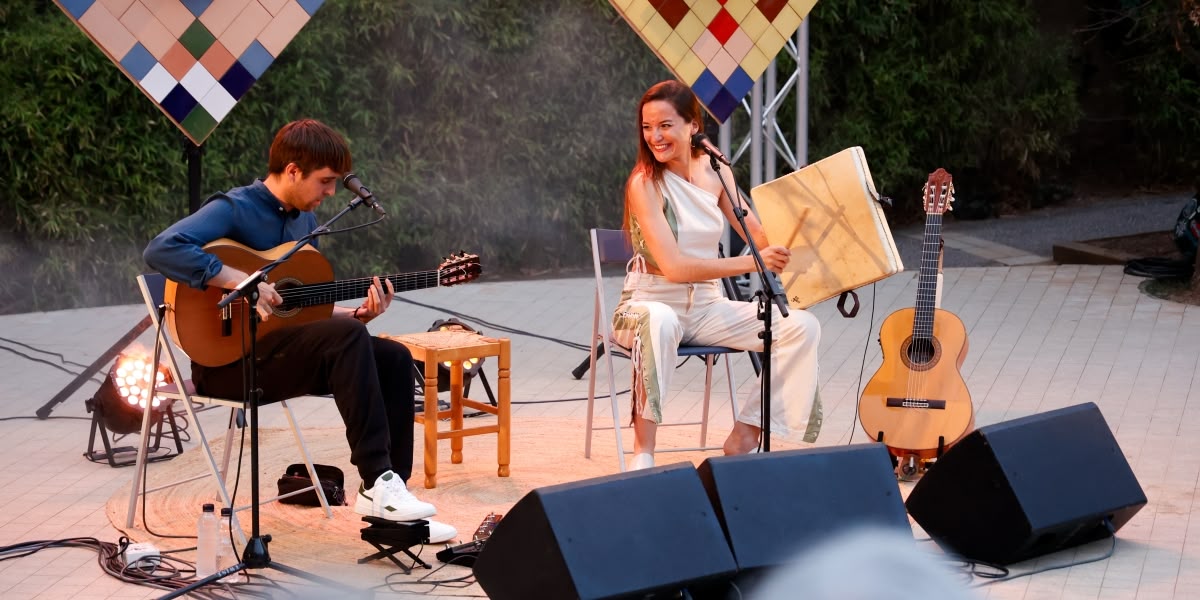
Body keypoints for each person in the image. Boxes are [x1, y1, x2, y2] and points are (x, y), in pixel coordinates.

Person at [143, 119, 456, 542]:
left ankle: (392, 499)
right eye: (324, 182)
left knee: (394, 357)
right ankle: (376, 481)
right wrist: (239, 281)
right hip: (227, 364)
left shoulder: (306, 225)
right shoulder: (235, 208)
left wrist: (358, 315)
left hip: (282, 359)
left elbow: (307, 313)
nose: (330, 193)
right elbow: (161, 247)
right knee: (350, 340)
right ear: (292, 170)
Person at [614, 80, 822, 469]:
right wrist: (753, 262)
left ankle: (744, 437)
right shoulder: (643, 183)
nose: (655, 136)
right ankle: (643, 456)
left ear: (693, 125)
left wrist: (806, 226)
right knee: (658, 320)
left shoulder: (713, 169)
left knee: (801, 327)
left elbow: (756, 233)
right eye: (647, 127)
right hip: (646, 304)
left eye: (665, 125)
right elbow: (674, 268)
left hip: (706, 307)